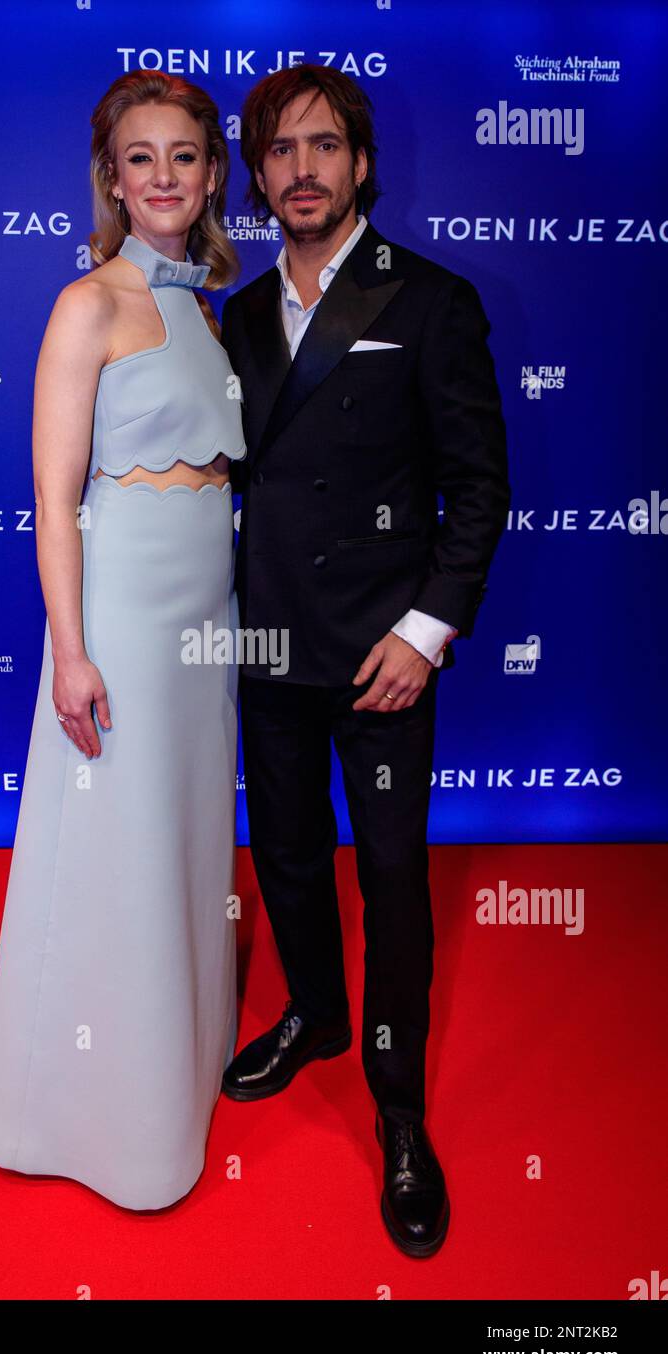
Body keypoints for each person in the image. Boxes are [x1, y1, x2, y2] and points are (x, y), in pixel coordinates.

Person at [220, 65, 511, 1256]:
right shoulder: (233, 317)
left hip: (383, 657)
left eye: (321, 147)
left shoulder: (432, 301)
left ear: (358, 163)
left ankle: (398, 1113)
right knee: (286, 853)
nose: (300, 169)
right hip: (270, 642)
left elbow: (479, 487)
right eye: (279, 151)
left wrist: (423, 633)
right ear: (257, 173)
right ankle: (313, 1018)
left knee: (390, 884)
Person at [0, 70, 247, 1211]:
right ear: (112, 178)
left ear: (209, 174)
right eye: (141, 159)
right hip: (124, 607)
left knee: (180, 827)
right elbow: (53, 498)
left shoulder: (206, 303)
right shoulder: (86, 304)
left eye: (183, 156)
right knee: (118, 837)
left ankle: (182, 1054)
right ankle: (93, 1114)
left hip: (208, 608)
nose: (163, 178)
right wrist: (71, 652)